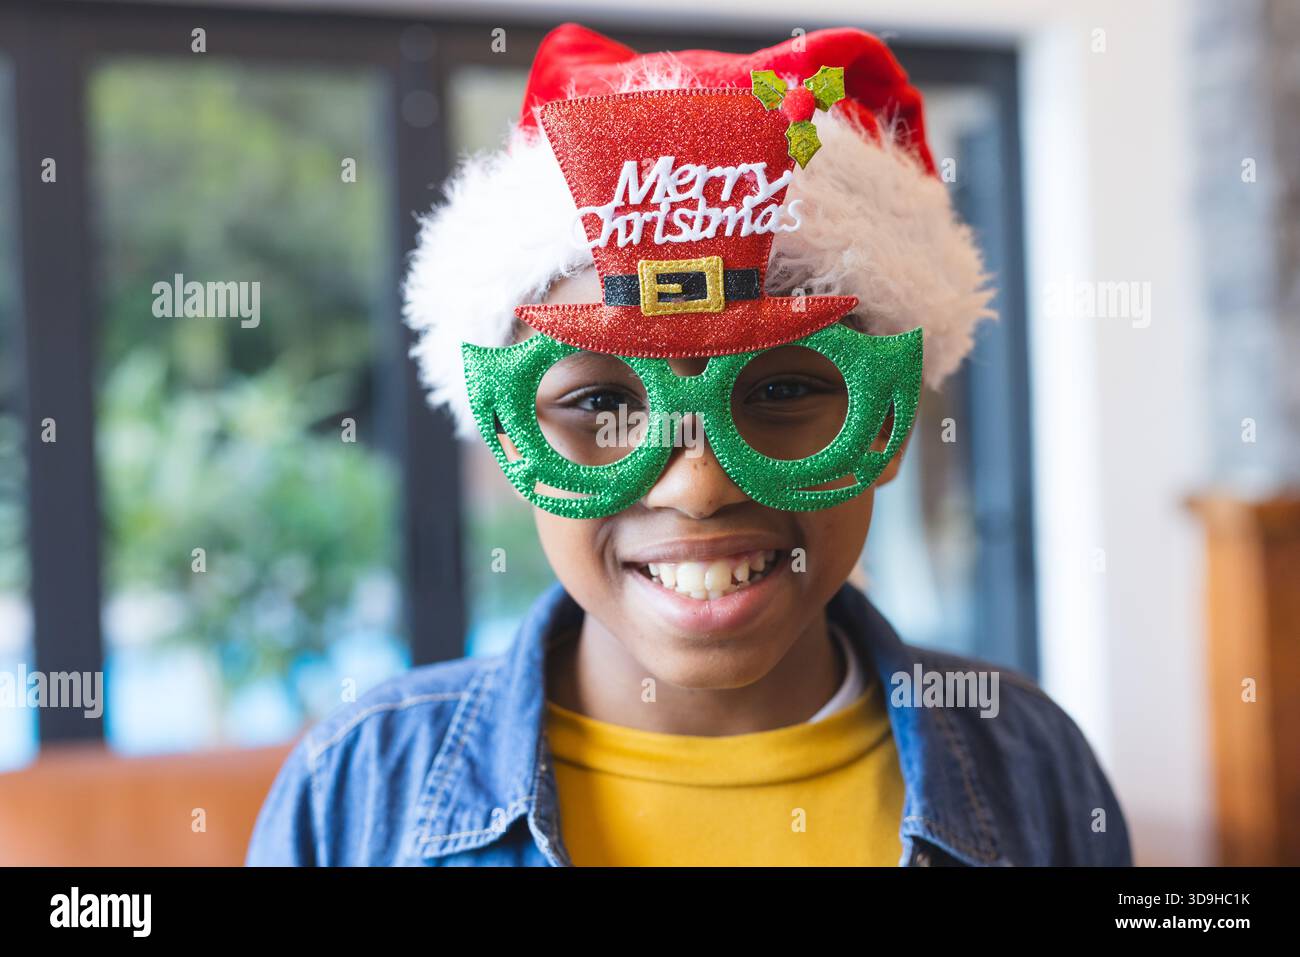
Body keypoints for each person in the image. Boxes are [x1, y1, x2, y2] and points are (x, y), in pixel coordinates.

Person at [246, 22, 1131, 867]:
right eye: (599, 401)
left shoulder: (1027, 761)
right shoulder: (359, 790)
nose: (698, 486)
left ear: (890, 421)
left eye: (784, 389)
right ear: (510, 435)